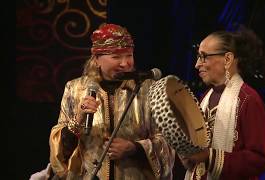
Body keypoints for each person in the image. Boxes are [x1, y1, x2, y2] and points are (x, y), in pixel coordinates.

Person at [49, 23, 174, 180]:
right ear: (96, 59)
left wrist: (134, 148)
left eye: (129, 55)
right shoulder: (75, 88)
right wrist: (79, 118)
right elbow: (60, 150)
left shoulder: (148, 88)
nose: (125, 63)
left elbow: (168, 141)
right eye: (116, 57)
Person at [180, 28, 265, 179]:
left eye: (204, 57)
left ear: (228, 59)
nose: (197, 64)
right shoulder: (205, 98)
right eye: (198, 57)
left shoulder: (248, 100)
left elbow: (259, 159)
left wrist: (210, 157)